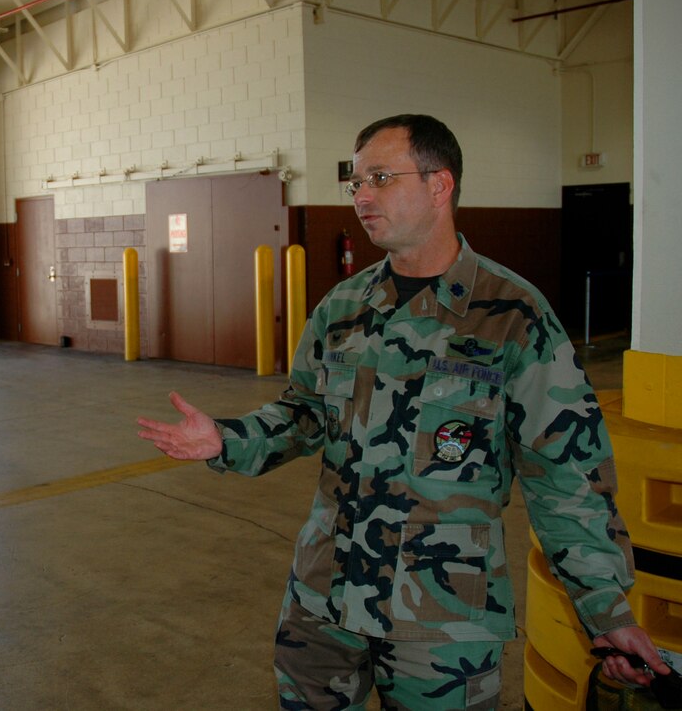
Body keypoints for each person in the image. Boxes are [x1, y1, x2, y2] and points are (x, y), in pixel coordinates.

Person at [137, 114, 669, 708]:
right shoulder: (343, 305)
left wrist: (605, 609)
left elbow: (567, 475)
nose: (362, 197)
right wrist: (227, 439)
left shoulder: (514, 317)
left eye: (381, 178)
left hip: (439, 620)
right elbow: (306, 412)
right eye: (356, 182)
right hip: (323, 599)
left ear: (439, 185)